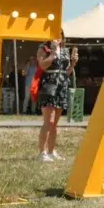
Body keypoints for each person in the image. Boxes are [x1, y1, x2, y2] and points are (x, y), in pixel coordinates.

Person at [36, 31, 78, 161]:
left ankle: (51, 151)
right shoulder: (44, 48)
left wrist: (73, 64)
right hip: (49, 85)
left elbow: (66, 72)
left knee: (55, 124)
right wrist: (53, 53)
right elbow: (42, 66)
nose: (57, 38)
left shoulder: (65, 50)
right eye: (54, 35)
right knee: (49, 121)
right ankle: (42, 153)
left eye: (59, 35)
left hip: (62, 86)